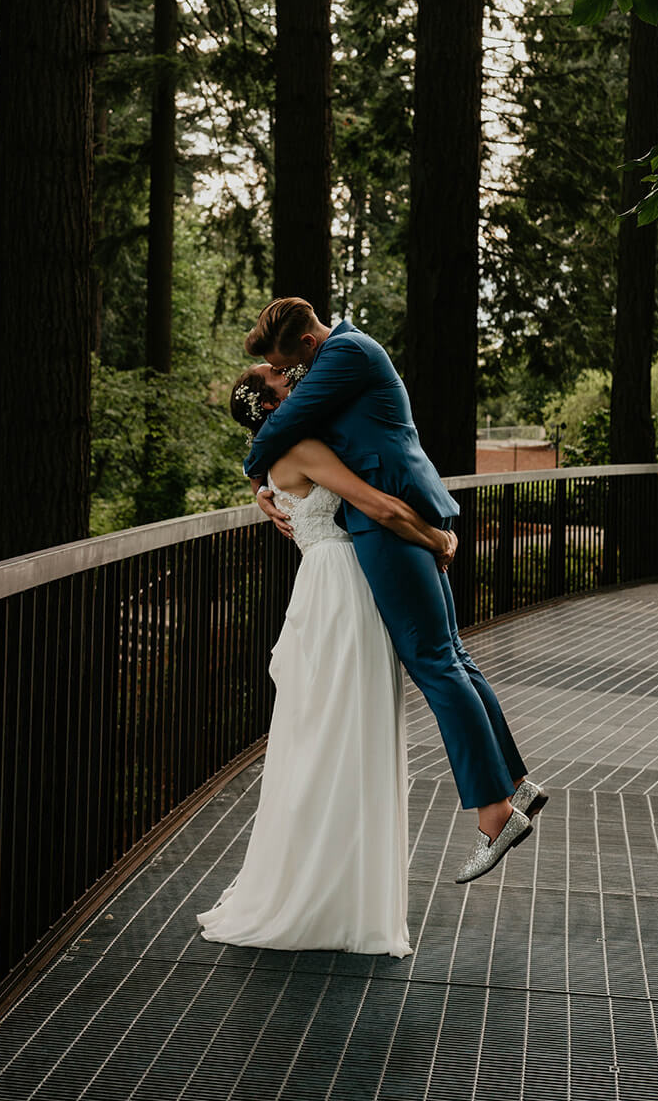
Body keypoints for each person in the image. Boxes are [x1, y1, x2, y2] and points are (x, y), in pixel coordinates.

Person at [243, 297, 546, 884]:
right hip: (396, 518)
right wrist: (269, 489)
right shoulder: (341, 359)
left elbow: (281, 425)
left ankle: (494, 816)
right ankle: (511, 784)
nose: (291, 381)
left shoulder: (346, 353)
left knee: (435, 662)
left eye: (288, 368)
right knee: (451, 655)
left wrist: (257, 473)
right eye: (280, 377)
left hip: (388, 524)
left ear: (308, 345)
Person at [196, 365, 457, 956]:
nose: (300, 383)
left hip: (318, 586)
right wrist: (437, 539)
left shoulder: (277, 458)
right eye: (285, 382)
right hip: (344, 587)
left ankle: (325, 887)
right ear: (272, 404)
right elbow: (379, 506)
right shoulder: (307, 446)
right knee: (350, 731)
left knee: (320, 736)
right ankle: (341, 898)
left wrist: (259, 488)